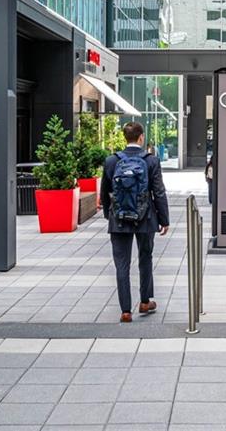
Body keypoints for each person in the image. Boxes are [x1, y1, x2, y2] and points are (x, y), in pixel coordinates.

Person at [100, 122, 170, 323]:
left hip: (119, 218)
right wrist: (164, 219)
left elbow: (105, 192)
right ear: (141, 137)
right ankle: (145, 301)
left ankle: (125, 311)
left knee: (121, 264)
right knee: (145, 257)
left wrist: (110, 215)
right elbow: (159, 192)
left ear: (125, 137)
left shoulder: (112, 161)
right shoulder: (151, 161)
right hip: (145, 218)